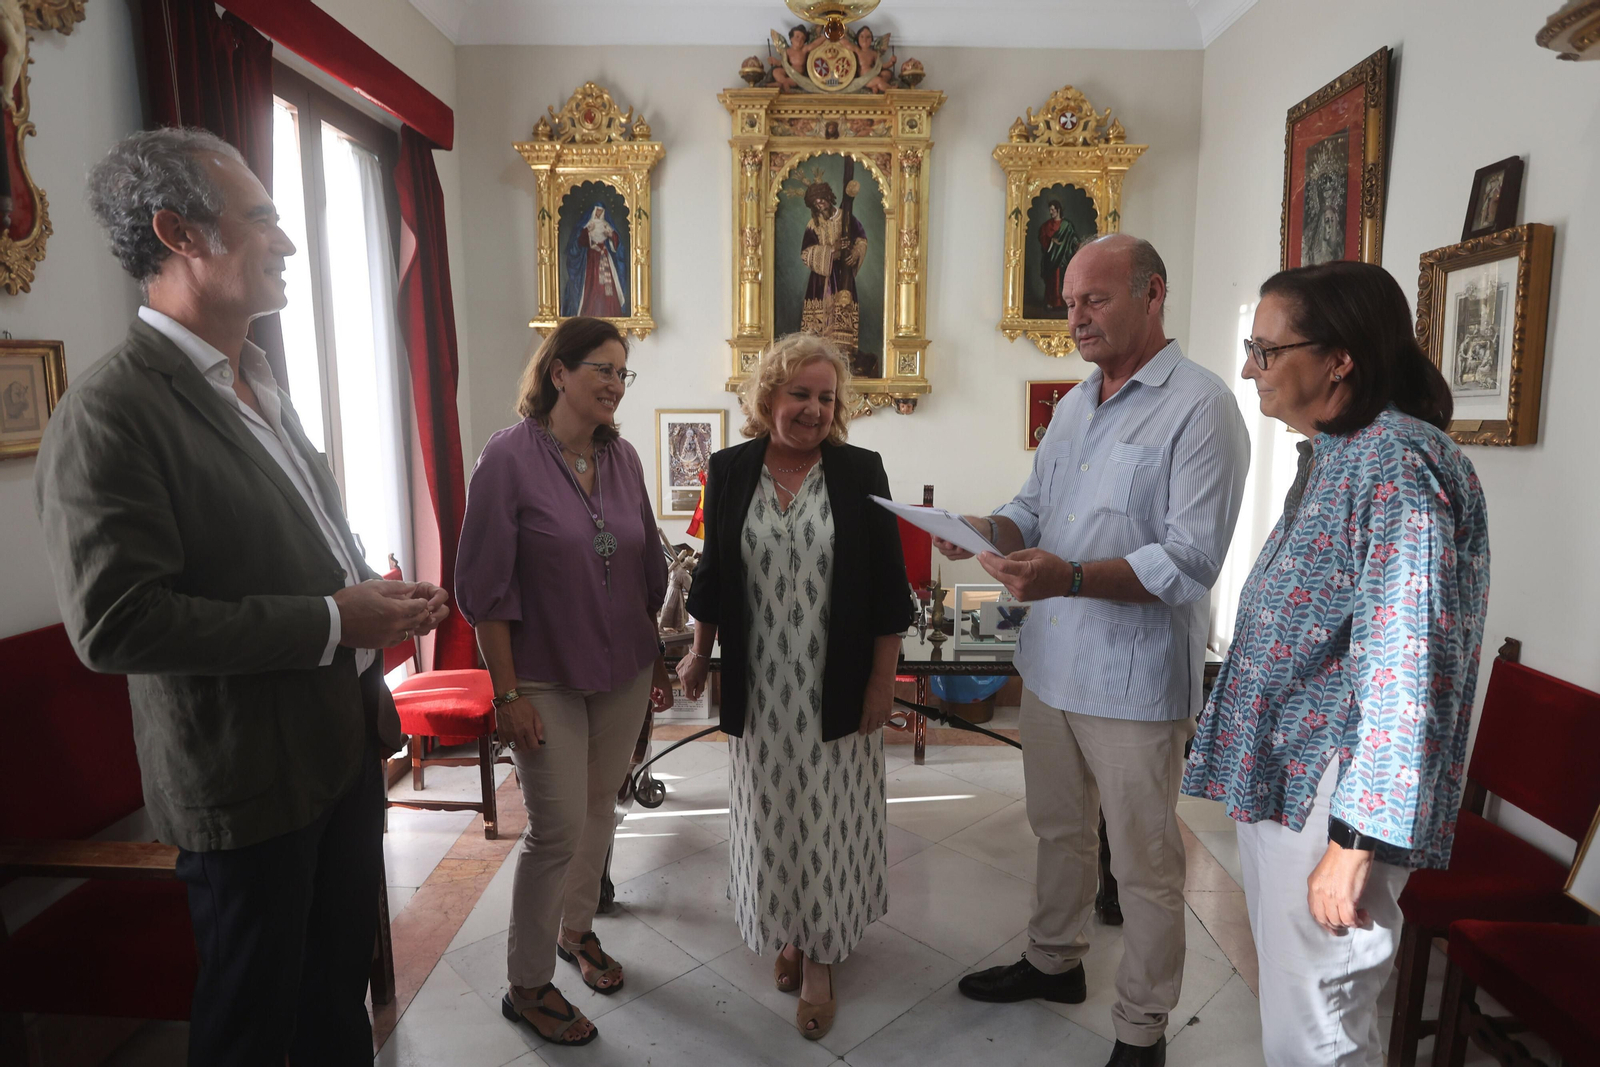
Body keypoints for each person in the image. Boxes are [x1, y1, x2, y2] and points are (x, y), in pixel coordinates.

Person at [37, 127, 448, 1065]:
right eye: (262, 217)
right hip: (244, 781)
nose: (289, 242)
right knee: (254, 1025)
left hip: (338, 749)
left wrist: (372, 597)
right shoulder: (110, 412)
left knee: (333, 997)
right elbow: (115, 621)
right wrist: (337, 619)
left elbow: (288, 545)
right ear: (178, 233)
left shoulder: (259, 379)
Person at [936, 234, 1250, 1067]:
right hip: (1052, 667)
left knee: (1145, 865)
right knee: (1059, 829)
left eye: (1094, 299)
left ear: (1154, 294)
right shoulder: (1077, 404)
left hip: (1135, 683)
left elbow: (1189, 560)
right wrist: (983, 530)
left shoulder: (1200, 405)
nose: (1074, 317)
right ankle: (1053, 961)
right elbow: (1033, 508)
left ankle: (1142, 1029)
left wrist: (1070, 574)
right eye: (1069, 301)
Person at [1183, 261, 1490, 1067]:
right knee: (1304, 1011)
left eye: (1266, 348)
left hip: (1335, 794)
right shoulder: (1337, 451)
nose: (1250, 366)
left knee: (1318, 1031)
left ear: (1340, 358)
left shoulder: (1396, 462)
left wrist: (1355, 841)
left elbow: (1406, 662)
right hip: (1294, 779)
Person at [677, 333, 912, 1042]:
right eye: (799, 393)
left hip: (834, 683)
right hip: (762, 683)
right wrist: (697, 656)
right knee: (770, 814)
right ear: (769, 396)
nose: (813, 408)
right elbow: (713, 576)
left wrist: (881, 681)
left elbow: (888, 593)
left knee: (828, 818)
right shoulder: (729, 469)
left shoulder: (859, 470)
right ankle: (789, 927)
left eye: (826, 396)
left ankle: (819, 953)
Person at [455, 316, 673, 1047]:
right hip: (541, 674)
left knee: (600, 808)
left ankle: (576, 932)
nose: (615, 384)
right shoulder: (508, 459)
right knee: (555, 827)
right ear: (558, 373)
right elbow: (483, 589)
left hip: (623, 669)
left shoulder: (625, 459)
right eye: (602, 370)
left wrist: (656, 660)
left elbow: (647, 567)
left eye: (622, 373)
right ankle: (526, 981)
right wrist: (506, 694)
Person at [798, 177, 868, 355]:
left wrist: (854, 253)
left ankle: (845, 354)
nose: (819, 203)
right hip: (820, 279)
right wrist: (832, 253)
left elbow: (861, 240)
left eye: (821, 198)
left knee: (842, 313)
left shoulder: (846, 217)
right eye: (815, 201)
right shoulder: (813, 224)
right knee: (817, 327)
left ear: (828, 197)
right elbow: (806, 253)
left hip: (842, 275)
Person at [1038, 200, 1079, 311]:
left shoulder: (1067, 225)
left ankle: (1063, 303)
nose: (1051, 212)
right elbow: (1042, 238)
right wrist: (1051, 241)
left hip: (1063, 258)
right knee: (1052, 280)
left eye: (1052, 210)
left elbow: (1073, 238)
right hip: (1051, 259)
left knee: (1062, 279)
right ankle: (1052, 302)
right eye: (1050, 210)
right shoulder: (1046, 226)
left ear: (1058, 210)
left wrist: (1078, 245)